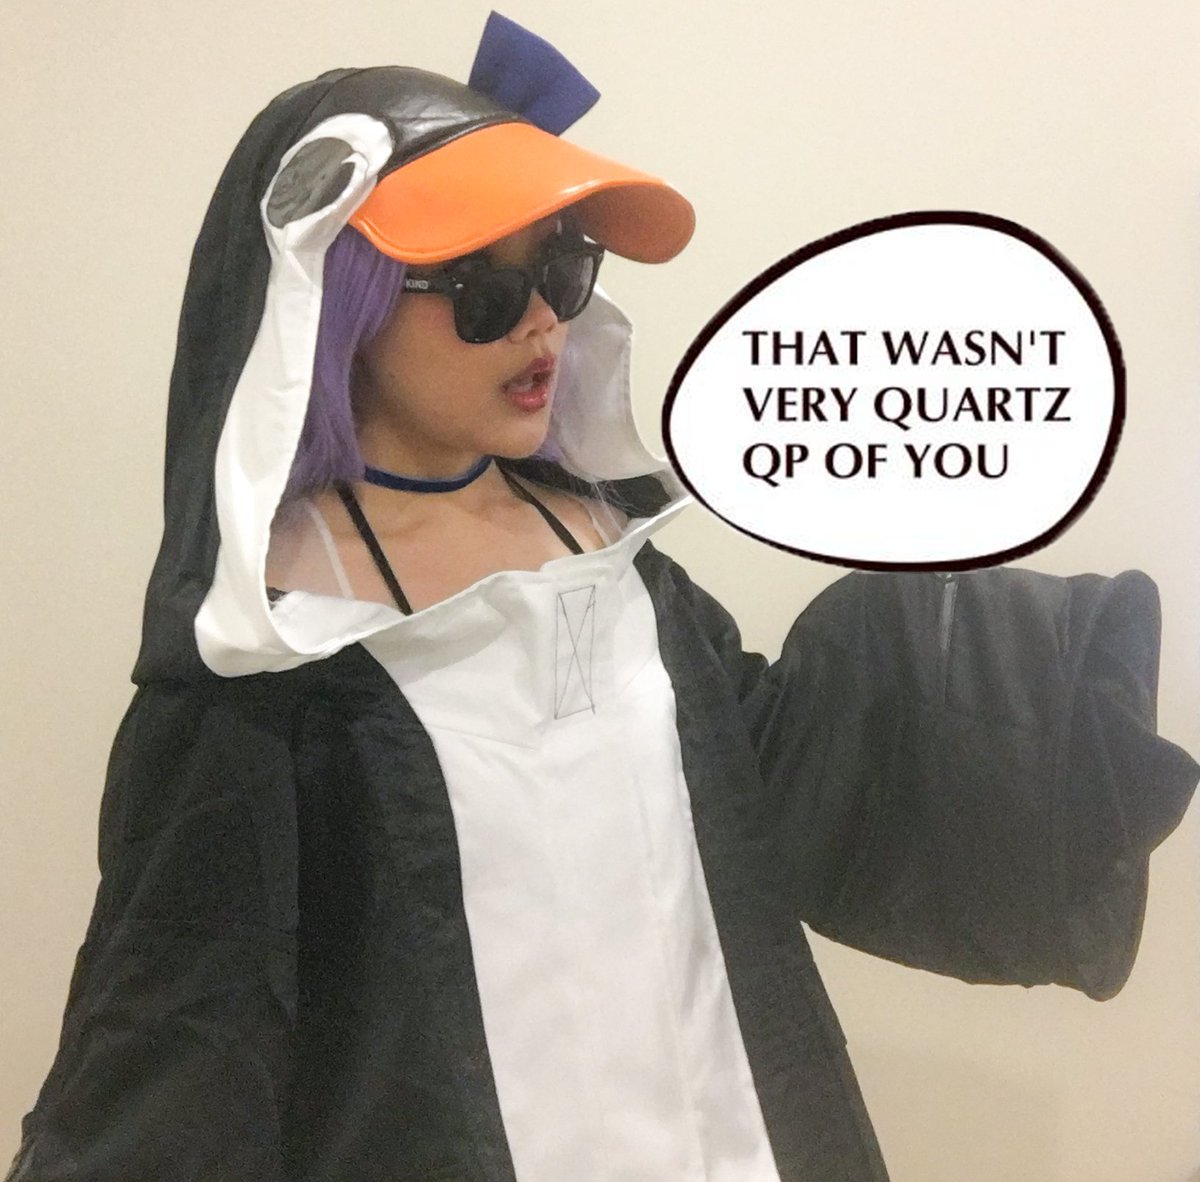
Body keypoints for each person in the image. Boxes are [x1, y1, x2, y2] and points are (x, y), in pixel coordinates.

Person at [8, 14, 1198, 1182]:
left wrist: (1043, 723)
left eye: (561, 268)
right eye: (481, 288)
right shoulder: (270, 658)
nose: (539, 319)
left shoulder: (616, 560)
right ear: (341, 304)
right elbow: (181, 1047)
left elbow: (782, 777)